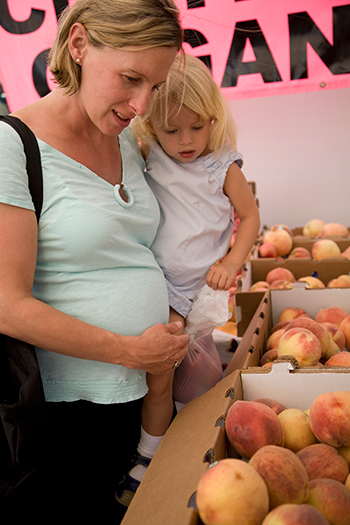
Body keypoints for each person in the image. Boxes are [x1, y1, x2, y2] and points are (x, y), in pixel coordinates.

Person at [0, 1, 190, 523]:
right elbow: (7, 306)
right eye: (130, 78)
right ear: (78, 45)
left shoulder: (125, 138)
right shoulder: (11, 145)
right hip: (67, 420)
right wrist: (130, 350)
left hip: (145, 395)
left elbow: (132, 255)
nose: (142, 103)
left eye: (154, 86)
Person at [117, 53, 260, 502]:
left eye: (196, 127)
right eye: (171, 130)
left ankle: (160, 450)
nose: (185, 140)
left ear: (213, 119)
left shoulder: (222, 165)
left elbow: (251, 217)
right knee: (162, 373)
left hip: (197, 289)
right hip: (157, 282)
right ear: (150, 127)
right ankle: (157, 448)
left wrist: (232, 261)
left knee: (174, 372)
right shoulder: (149, 154)